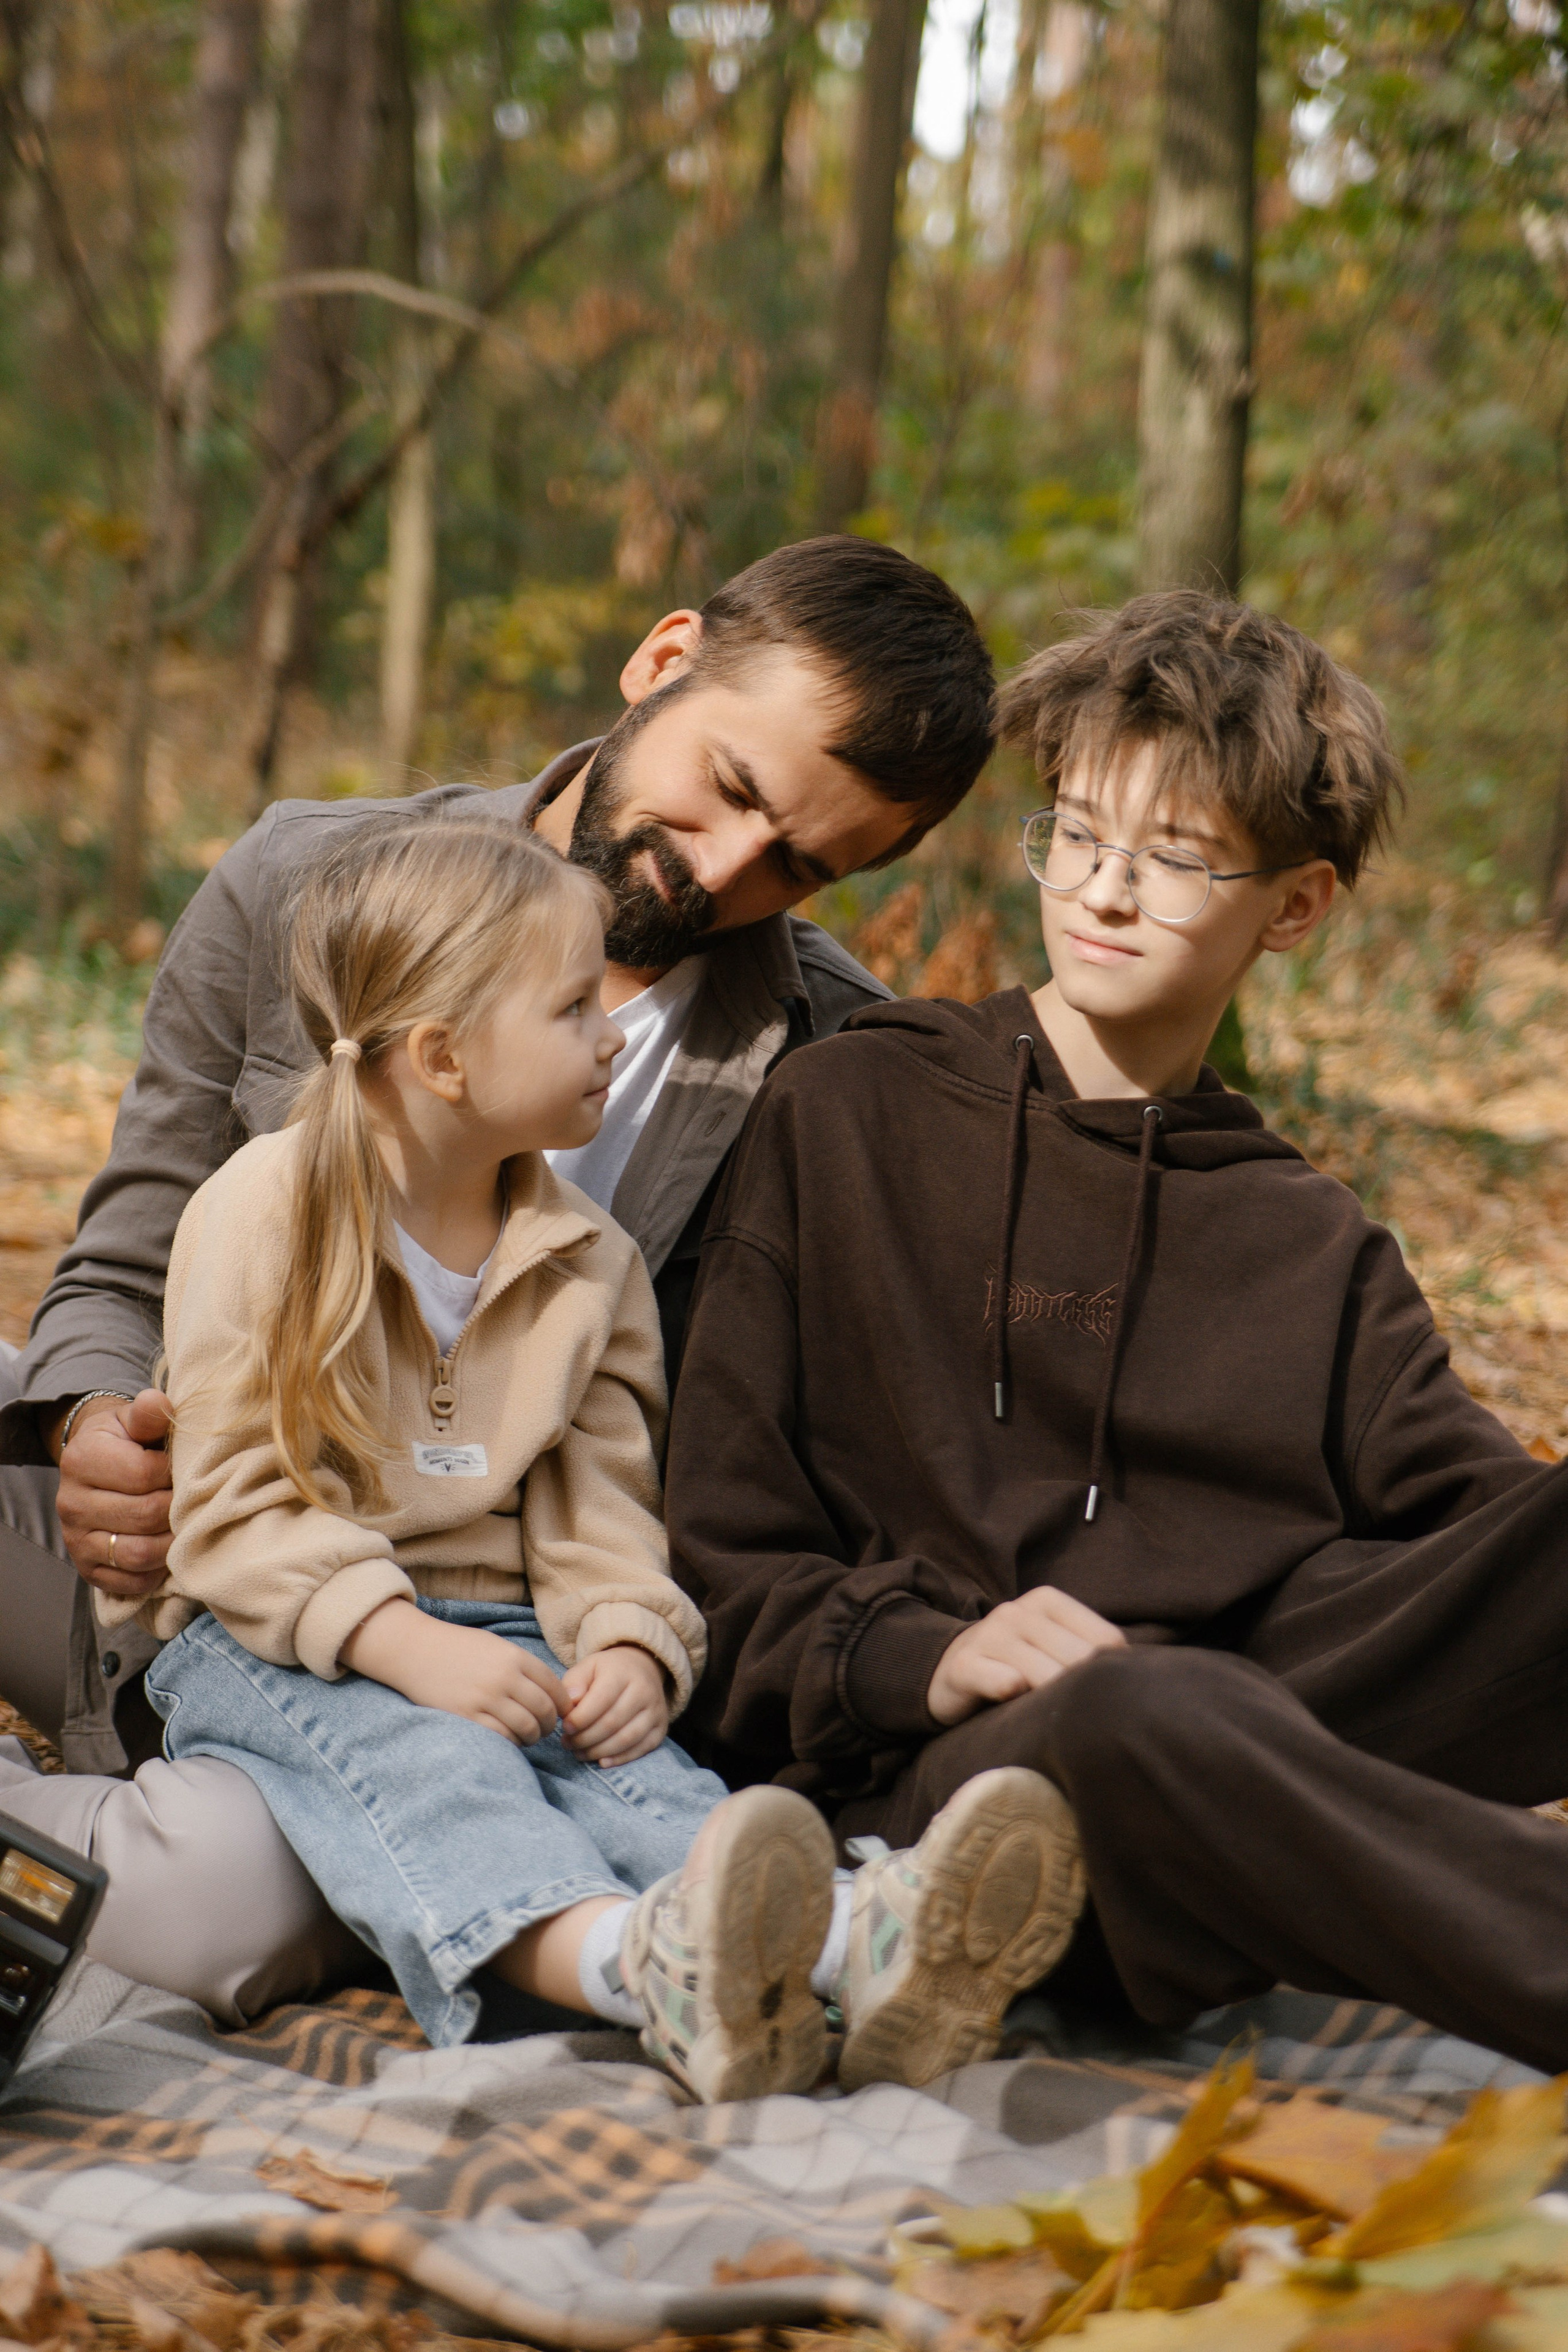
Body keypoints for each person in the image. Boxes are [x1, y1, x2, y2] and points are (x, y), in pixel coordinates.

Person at [0, 535, 995, 2021]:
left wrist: (622, 1643)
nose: (721, 872)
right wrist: (92, 1425)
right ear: (661, 664)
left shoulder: (830, 1062)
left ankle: (730, 1942)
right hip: (189, 1531)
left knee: (237, 1908)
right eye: (728, 788)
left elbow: (680, 1465)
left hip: (479, 1635)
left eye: (798, 864)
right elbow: (125, 1250)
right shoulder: (302, 880)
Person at [665, 590, 1568, 2081]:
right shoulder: (847, 1116)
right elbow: (720, 1572)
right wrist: (930, 1654)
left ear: (1293, 908)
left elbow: (1485, 1568)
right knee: (1147, 1708)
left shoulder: (1306, 1238)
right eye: (1077, 833)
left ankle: (1268, 1827)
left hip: (1248, 1733)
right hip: (957, 1796)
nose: (1101, 890)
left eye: (1172, 857)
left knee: (1199, 1696)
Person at [113, 810, 1076, 2097]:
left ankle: (864, 1950)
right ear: (445, 1057)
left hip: (516, 1635)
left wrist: (623, 1636)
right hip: (283, 1639)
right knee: (443, 1774)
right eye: (573, 1009)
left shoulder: (587, 1259)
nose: (612, 1034)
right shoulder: (263, 1211)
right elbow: (230, 1510)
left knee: (641, 1778)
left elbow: (601, 1505)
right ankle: (638, 1968)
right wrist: (402, 1643)